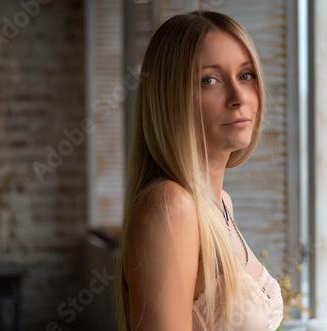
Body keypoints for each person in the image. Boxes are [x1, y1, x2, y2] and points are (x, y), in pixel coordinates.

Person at [115, 10, 283, 331]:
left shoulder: (221, 203)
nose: (238, 97)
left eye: (246, 75)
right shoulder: (171, 205)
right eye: (210, 80)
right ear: (170, 99)